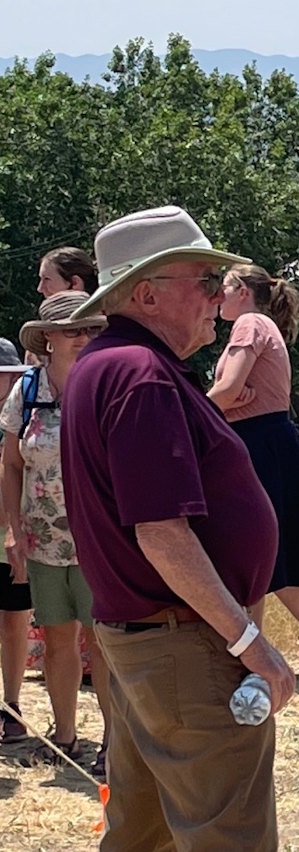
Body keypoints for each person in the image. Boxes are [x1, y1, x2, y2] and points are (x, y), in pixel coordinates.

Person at [60, 205, 295, 850]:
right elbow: (161, 533)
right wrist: (249, 640)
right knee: (228, 835)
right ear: (147, 293)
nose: (217, 298)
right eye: (204, 281)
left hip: (143, 644)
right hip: (183, 646)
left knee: (142, 834)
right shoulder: (140, 374)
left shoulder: (106, 365)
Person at [208, 263, 299, 678]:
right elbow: (231, 393)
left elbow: (229, 390)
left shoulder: (249, 323)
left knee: (254, 548)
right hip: (264, 441)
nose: (216, 295)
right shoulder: (262, 324)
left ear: (243, 291)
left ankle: (253, 655)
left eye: (223, 287)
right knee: (265, 549)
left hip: (258, 442)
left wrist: (195, 411)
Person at [0, 293, 110, 774]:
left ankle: (113, 740)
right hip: (42, 538)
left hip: (99, 540)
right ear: (47, 338)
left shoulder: (105, 384)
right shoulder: (26, 391)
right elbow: (10, 464)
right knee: (57, 639)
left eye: (89, 328)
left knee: (102, 640)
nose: (83, 337)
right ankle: (66, 736)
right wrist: (12, 530)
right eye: (72, 329)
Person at [0, 340, 32, 746]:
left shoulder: (24, 416)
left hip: (16, 534)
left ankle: (11, 707)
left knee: (14, 621)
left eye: (9, 374)